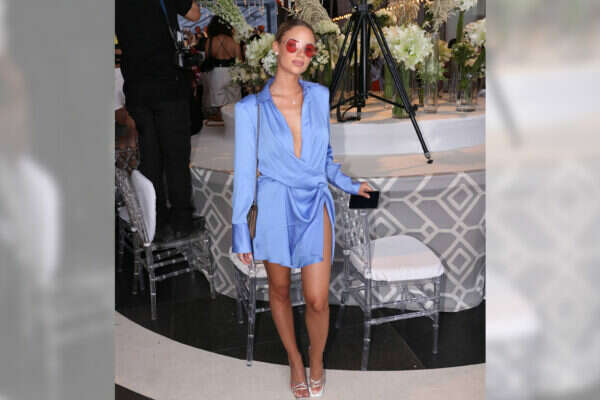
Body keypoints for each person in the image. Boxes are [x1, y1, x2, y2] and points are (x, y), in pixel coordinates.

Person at [231, 19, 373, 399]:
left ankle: (316, 357)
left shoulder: (320, 96)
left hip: (314, 199)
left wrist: (349, 184)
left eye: (308, 49)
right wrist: (240, 228)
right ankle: (294, 359)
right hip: (274, 202)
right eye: (293, 45)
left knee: (317, 299)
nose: (300, 54)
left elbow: (324, 159)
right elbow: (245, 174)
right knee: (279, 291)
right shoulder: (250, 109)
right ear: (276, 47)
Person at [116, 0, 201, 240]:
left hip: (137, 89)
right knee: (176, 156)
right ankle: (182, 221)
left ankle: (158, 222)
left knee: (150, 158)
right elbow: (195, 13)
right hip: (168, 86)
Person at [201, 16, 242, 121]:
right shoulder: (234, 41)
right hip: (232, 73)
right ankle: (233, 126)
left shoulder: (210, 41)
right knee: (234, 103)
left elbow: (207, 58)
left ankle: (222, 126)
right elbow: (239, 61)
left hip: (216, 73)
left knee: (219, 106)